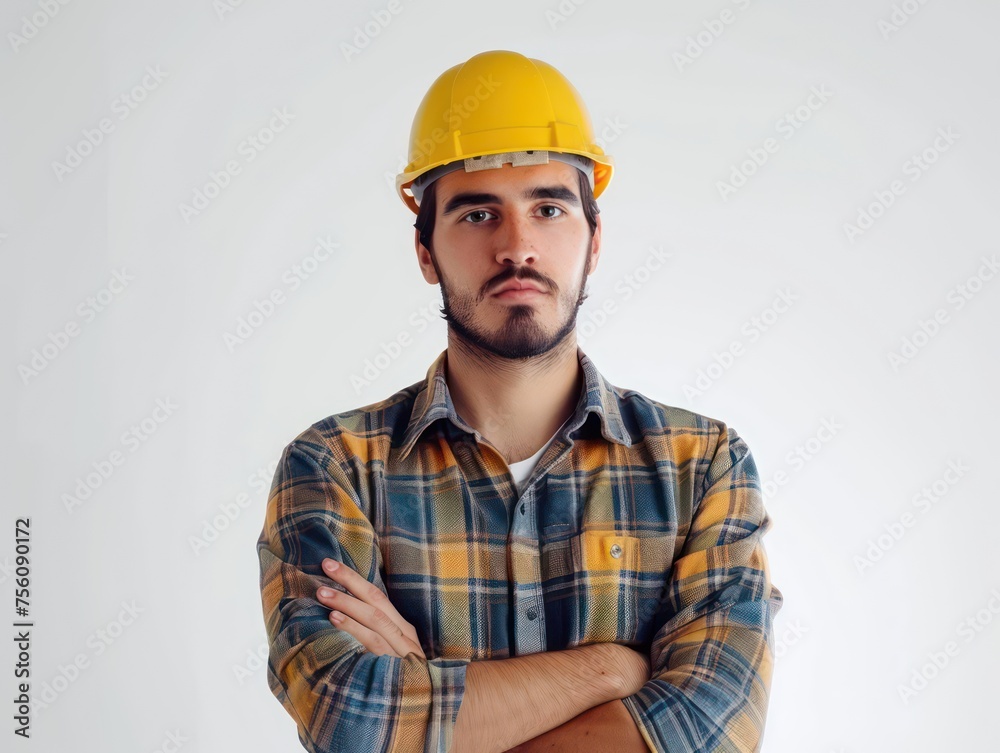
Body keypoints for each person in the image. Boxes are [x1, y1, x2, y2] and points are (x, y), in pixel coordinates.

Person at [256, 49, 783, 753]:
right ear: (425, 252)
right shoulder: (335, 467)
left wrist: (429, 707)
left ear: (594, 241)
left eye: (548, 207)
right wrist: (614, 669)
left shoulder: (703, 465)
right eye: (478, 214)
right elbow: (351, 722)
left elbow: (707, 730)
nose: (518, 246)